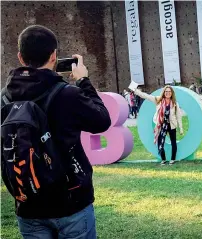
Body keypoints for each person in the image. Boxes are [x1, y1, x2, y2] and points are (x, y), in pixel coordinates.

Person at [1, 25, 111, 238]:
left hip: (28, 202)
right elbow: (102, 121)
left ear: (20, 57)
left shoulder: (4, 98)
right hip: (71, 201)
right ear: (54, 56)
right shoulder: (67, 94)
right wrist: (83, 81)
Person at [132, 85, 183, 165]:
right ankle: (163, 159)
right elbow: (146, 96)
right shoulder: (158, 100)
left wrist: (181, 128)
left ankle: (173, 159)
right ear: (164, 92)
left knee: (173, 142)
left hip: (171, 125)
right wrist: (136, 91)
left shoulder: (174, 103)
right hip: (161, 125)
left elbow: (178, 116)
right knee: (160, 142)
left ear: (172, 93)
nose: (168, 93)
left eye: (169, 92)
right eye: (166, 91)